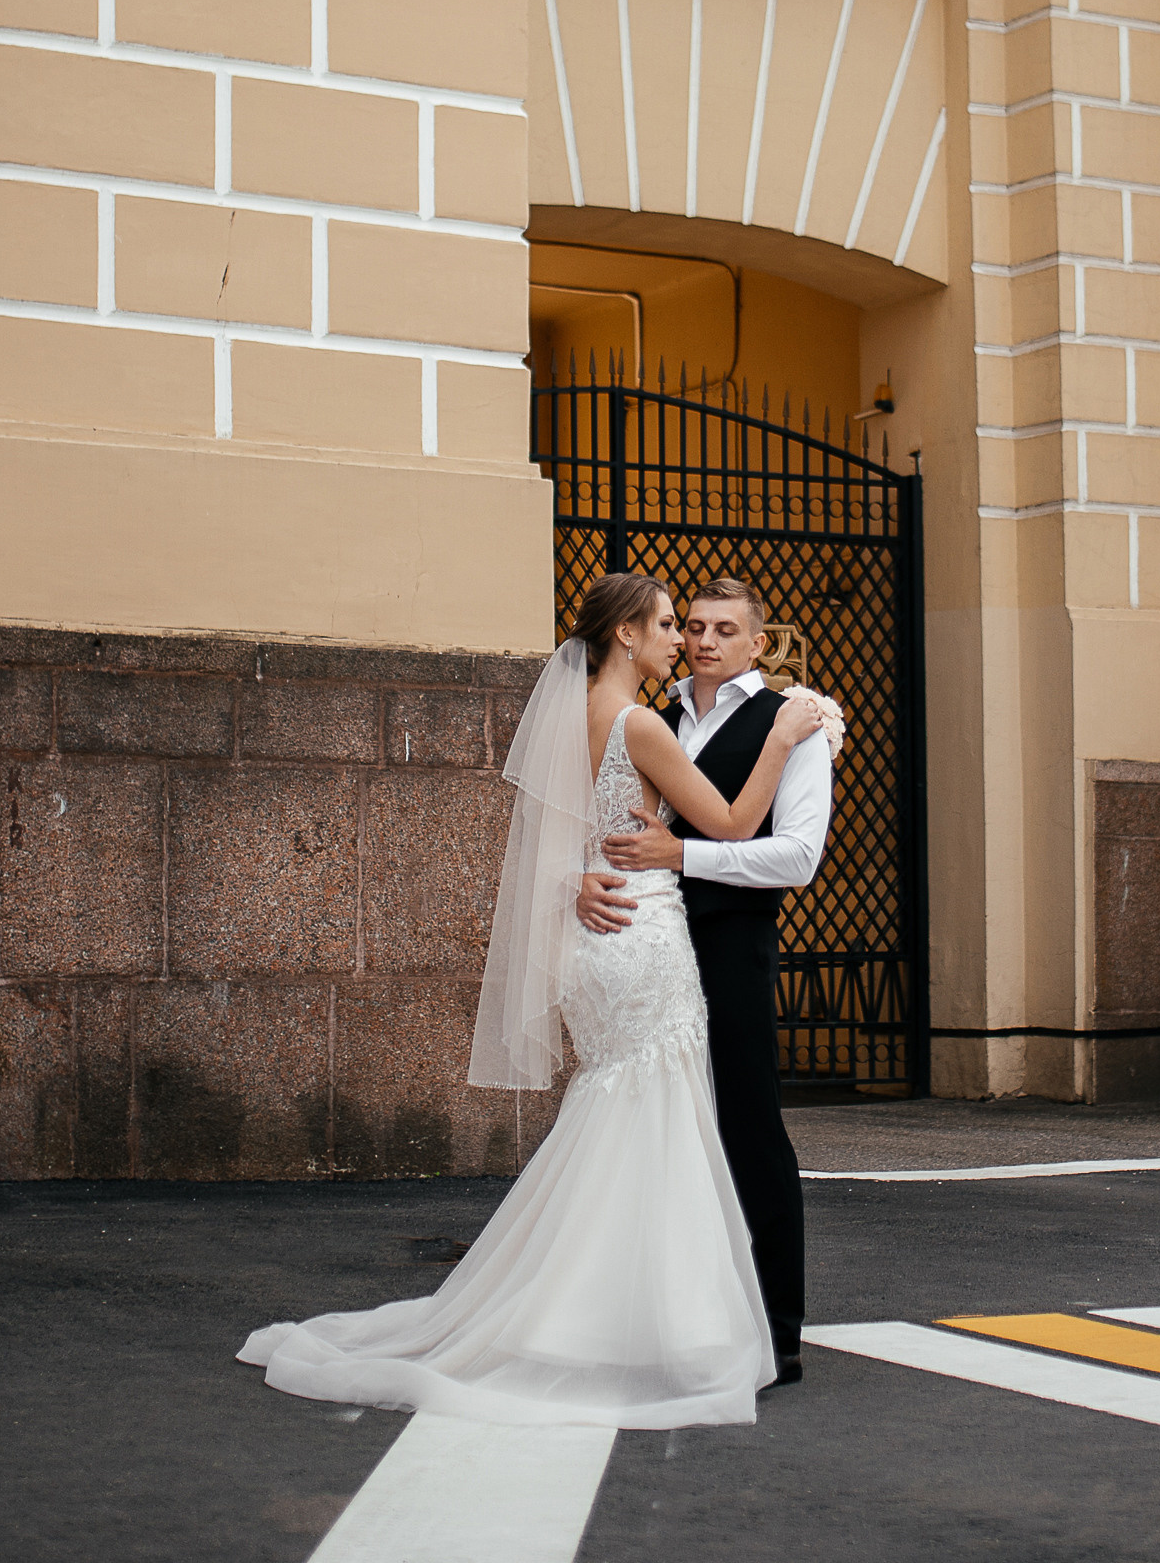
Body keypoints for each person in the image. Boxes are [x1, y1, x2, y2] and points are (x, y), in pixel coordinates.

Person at [236, 572, 835, 1427]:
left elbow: (557, 840)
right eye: (673, 624)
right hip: (645, 941)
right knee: (655, 1120)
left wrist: (575, 884)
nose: (687, 640)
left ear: (754, 642)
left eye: (707, 628)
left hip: (608, 940)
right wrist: (782, 739)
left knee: (626, 1116)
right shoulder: (644, 721)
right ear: (627, 634)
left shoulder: (581, 716)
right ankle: (648, 1322)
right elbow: (736, 826)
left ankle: (617, 1314)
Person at [579, 578, 831, 1389]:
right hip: (646, 941)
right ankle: (667, 1313)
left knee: (749, 1129)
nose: (705, 640)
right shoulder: (656, 709)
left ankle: (779, 1329)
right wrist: (579, 881)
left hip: (729, 945)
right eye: (691, 626)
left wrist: (683, 857)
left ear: (759, 644)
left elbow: (795, 857)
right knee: (669, 1131)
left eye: (726, 629)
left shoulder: (799, 722)